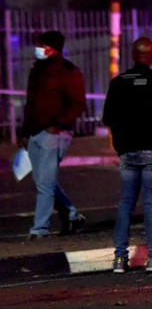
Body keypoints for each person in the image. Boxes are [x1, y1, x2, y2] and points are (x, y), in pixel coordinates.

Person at [103, 37, 152, 273]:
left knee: (125, 204)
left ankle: (119, 258)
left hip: (128, 150)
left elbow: (107, 118)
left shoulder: (118, 83)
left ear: (133, 55)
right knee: (150, 203)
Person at [20, 31, 87, 239]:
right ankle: (72, 215)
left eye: (41, 45)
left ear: (51, 47)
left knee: (45, 184)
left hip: (54, 134)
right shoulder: (37, 71)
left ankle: (40, 229)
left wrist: (57, 125)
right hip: (35, 133)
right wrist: (25, 132)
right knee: (43, 182)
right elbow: (30, 104)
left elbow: (77, 103)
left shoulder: (67, 71)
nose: (37, 49)